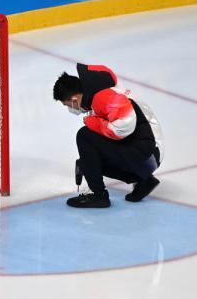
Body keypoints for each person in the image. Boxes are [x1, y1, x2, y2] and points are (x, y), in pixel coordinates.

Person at [53, 64, 164, 208]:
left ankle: (99, 196)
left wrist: (93, 122)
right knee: (88, 162)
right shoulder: (100, 94)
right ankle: (144, 180)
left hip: (149, 153)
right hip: (148, 156)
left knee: (84, 135)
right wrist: (86, 164)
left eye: (67, 105)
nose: (70, 108)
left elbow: (123, 128)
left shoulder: (104, 97)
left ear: (74, 100)